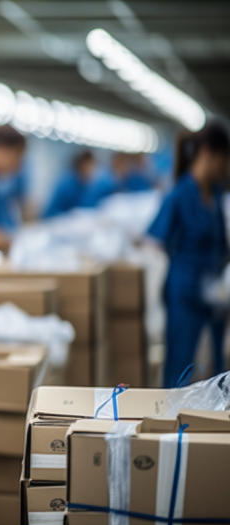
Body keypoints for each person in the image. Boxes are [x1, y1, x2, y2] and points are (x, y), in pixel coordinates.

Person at [148, 122, 229, 388]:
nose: (225, 168)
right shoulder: (179, 194)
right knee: (180, 368)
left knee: (216, 375)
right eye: (223, 160)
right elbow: (155, 241)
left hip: (213, 297)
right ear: (208, 153)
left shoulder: (215, 194)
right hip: (184, 294)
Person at [80, 152, 153, 207]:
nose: (127, 168)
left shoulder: (118, 178)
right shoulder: (106, 180)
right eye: (124, 164)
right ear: (117, 163)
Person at [42, 149, 96, 219]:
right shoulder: (66, 184)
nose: (90, 171)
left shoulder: (88, 185)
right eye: (87, 166)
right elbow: (52, 213)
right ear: (79, 166)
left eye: (92, 166)